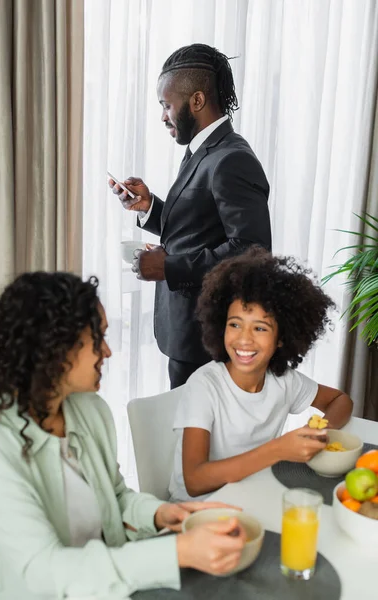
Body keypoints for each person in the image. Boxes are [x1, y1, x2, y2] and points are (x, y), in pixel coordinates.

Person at [0, 272, 247, 600]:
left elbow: (115, 495)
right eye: (97, 339)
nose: (106, 352)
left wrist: (159, 513)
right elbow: (44, 569)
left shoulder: (90, 411)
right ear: (56, 348)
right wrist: (177, 552)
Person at [110, 43, 271, 389]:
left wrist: (168, 267)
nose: (163, 116)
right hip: (189, 337)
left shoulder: (232, 159)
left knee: (199, 442)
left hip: (208, 343)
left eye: (166, 105)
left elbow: (252, 251)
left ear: (196, 101)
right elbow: (202, 225)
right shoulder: (203, 151)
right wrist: (151, 207)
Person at [169, 247, 354, 502]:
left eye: (260, 328)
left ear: (282, 338)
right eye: (235, 324)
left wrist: (319, 430)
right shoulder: (205, 386)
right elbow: (195, 481)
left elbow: (340, 401)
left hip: (252, 498)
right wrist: (278, 450)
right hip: (196, 513)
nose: (244, 339)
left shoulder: (283, 380)